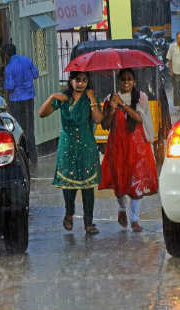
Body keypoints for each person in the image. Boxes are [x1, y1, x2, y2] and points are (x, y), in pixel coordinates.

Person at [39, 71, 103, 235]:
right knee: (68, 185)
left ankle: (89, 223)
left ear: (87, 82)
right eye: (77, 80)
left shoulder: (90, 99)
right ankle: (69, 213)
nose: (80, 83)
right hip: (67, 146)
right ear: (71, 81)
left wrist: (92, 100)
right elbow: (42, 113)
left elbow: (97, 119)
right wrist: (52, 97)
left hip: (86, 146)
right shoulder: (63, 99)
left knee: (88, 187)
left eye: (84, 80)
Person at [99, 69, 158, 232]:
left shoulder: (141, 97)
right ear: (119, 82)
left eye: (129, 79)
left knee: (136, 182)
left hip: (137, 146)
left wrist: (122, 105)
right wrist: (111, 109)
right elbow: (105, 125)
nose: (126, 82)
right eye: (123, 79)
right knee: (120, 183)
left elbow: (139, 118)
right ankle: (121, 209)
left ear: (134, 82)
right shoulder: (110, 98)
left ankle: (134, 220)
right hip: (117, 145)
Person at [3, 43, 39, 165]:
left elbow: (10, 86)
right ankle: (33, 158)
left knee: (17, 129)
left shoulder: (9, 68)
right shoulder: (27, 60)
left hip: (16, 101)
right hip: (29, 99)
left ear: (7, 55)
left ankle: (22, 159)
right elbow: (36, 74)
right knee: (30, 128)